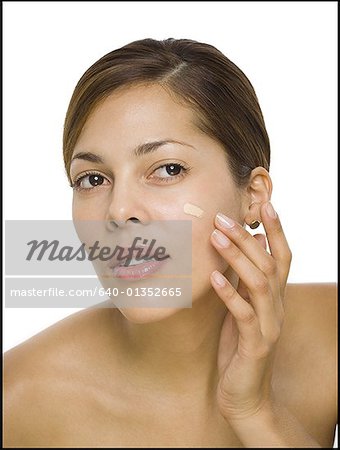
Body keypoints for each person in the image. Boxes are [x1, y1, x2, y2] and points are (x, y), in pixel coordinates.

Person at [4, 38, 337, 448]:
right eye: (93, 179)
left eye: (168, 169)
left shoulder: (333, 335)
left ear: (254, 194)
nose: (118, 210)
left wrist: (255, 412)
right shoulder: (17, 397)